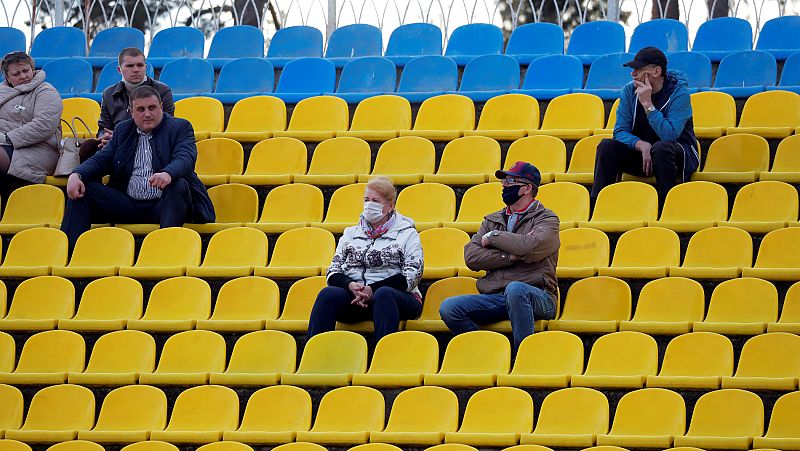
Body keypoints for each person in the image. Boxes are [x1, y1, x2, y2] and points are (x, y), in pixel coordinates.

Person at [61, 85, 214, 247]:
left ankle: (166, 249)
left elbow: (186, 157)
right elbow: (102, 159)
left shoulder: (180, 127)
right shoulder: (122, 130)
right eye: (140, 109)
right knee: (84, 187)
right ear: (131, 112)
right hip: (127, 203)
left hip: (163, 204)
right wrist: (76, 174)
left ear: (161, 107)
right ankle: (70, 252)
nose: (147, 114)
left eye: (152, 108)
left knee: (178, 185)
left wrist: (168, 174)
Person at [439, 161, 559, 350]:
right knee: (450, 308)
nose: (504, 185)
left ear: (528, 188)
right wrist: (510, 257)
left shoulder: (547, 219)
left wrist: (494, 237)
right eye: (503, 181)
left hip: (538, 296)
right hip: (498, 296)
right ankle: (485, 352)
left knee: (516, 290)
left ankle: (522, 356)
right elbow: (472, 256)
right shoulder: (492, 219)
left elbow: (530, 247)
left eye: (510, 180)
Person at [307, 176, 424, 340]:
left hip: (396, 299)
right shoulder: (350, 233)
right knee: (328, 295)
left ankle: (383, 358)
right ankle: (313, 354)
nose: (369, 205)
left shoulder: (407, 234)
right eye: (366, 200)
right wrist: (351, 286)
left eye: (375, 200)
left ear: (390, 205)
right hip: (356, 297)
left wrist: (372, 290)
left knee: (384, 294)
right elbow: (333, 271)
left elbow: (412, 275)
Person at [591, 46, 699, 207]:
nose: (632, 73)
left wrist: (648, 105)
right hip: (643, 156)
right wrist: (641, 145)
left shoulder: (679, 93)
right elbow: (619, 131)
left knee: (662, 148)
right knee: (606, 147)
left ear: (656, 71)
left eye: (638, 69)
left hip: (676, 156)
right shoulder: (629, 90)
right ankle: (598, 206)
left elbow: (670, 135)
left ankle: (667, 207)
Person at [80, 47, 175, 160]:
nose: (135, 70)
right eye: (130, 66)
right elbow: (103, 128)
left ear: (146, 67)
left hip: (150, 143)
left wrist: (122, 137)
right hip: (116, 146)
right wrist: (104, 137)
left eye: (140, 65)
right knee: (88, 147)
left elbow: (167, 126)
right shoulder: (109, 93)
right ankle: (81, 176)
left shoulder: (162, 90)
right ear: (119, 70)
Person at [0, 51, 62, 193]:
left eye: (26, 70)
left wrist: (7, 137)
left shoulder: (46, 91)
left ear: (32, 69)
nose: (23, 76)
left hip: (41, 148)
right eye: (16, 74)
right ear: (7, 77)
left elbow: (43, 126)